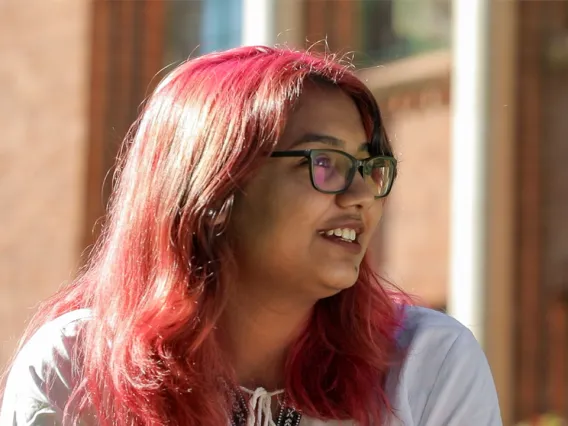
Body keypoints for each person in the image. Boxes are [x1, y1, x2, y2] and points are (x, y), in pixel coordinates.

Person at [0, 46, 501, 426]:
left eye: (371, 167)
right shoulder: (73, 369)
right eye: (323, 162)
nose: (360, 195)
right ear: (214, 190)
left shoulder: (427, 362)